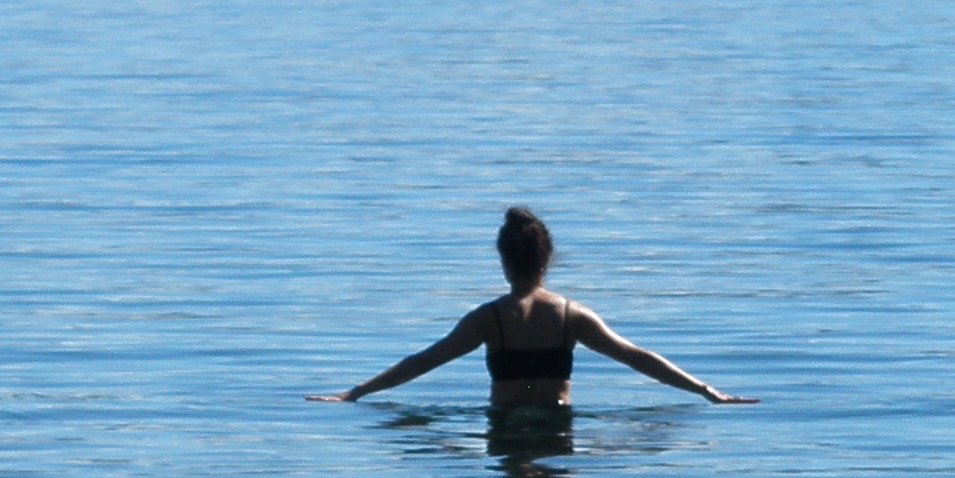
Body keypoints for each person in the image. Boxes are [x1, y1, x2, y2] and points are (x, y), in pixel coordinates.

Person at [310, 207, 757, 408]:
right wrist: (704, 390)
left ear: (503, 260)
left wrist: (357, 391)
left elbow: (423, 361)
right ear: (547, 259)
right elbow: (637, 357)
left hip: (503, 426)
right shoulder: (571, 316)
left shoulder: (488, 319)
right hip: (556, 427)